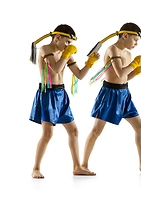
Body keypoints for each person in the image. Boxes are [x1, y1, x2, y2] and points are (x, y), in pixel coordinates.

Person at [81, 23, 141, 173]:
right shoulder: (113, 49)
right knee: (96, 131)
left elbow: (125, 77)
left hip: (124, 94)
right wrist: (134, 64)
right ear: (125, 35)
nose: (136, 44)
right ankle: (83, 165)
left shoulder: (128, 54)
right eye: (135, 40)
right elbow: (119, 72)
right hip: (109, 94)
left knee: (140, 127)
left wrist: (138, 70)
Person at [29, 24, 100, 178]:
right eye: (67, 41)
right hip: (48, 94)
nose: (69, 45)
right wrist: (67, 54)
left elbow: (79, 75)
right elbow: (55, 68)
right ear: (57, 37)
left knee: (74, 131)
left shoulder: (65, 53)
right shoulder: (45, 49)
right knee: (48, 134)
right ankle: (36, 168)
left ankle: (77, 167)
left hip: (62, 94)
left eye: (70, 43)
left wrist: (90, 62)